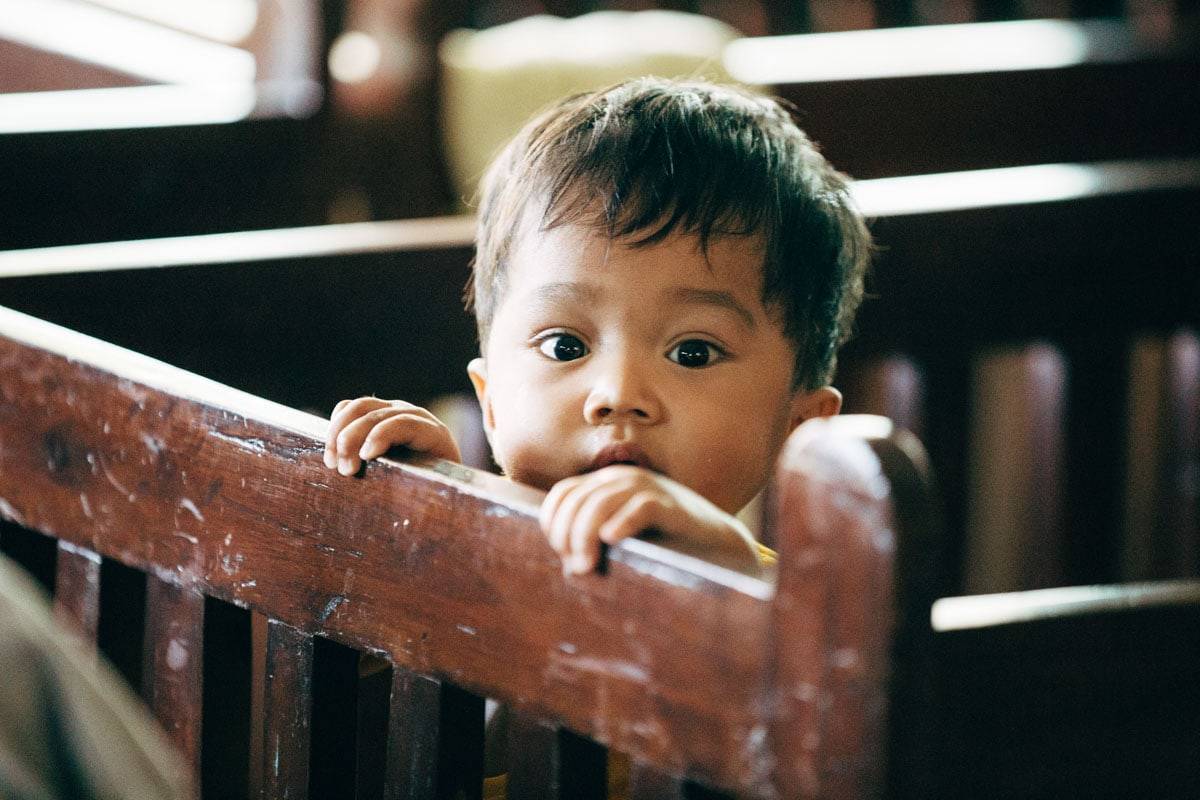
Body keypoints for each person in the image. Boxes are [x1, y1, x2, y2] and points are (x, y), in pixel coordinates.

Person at [323, 76, 870, 578]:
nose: (618, 396)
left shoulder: (794, 613)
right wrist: (427, 516)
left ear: (798, 432)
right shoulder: (464, 555)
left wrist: (724, 576)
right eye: (565, 346)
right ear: (490, 405)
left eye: (694, 353)